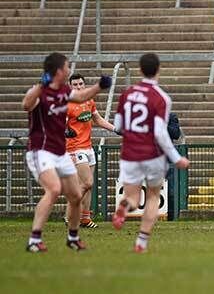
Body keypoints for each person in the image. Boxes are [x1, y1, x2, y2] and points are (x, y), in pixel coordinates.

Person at [23, 52, 112, 252]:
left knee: (74, 195)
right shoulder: (40, 92)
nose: (69, 69)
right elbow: (26, 104)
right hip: (41, 150)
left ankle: (73, 237)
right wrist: (39, 86)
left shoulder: (64, 92)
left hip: (59, 151)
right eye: (67, 67)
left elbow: (81, 96)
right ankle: (34, 239)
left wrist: (100, 86)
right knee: (54, 189)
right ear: (59, 71)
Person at [111, 53, 190, 253]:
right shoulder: (161, 97)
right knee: (154, 196)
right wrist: (176, 157)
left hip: (129, 153)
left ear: (140, 69)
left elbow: (119, 126)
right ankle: (141, 242)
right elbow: (160, 132)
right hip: (152, 154)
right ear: (158, 69)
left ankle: (124, 207)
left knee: (133, 199)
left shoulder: (126, 94)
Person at [63, 73, 120, 228]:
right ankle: (69, 214)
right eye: (75, 85)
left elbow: (97, 119)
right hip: (74, 148)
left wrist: (115, 129)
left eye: (81, 84)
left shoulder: (88, 100)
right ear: (70, 86)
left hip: (88, 147)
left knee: (89, 186)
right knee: (86, 183)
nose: (78, 87)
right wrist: (65, 132)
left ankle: (85, 219)